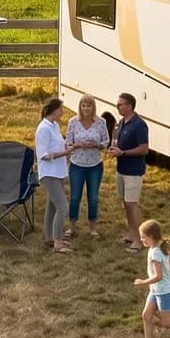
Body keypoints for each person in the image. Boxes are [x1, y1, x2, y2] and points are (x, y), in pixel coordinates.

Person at [105, 92, 150, 252]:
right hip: (121, 169)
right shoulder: (121, 123)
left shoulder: (139, 125)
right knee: (125, 203)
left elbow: (144, 148)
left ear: (130, 106)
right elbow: (117, 142)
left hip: (133, 171)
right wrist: (114, 150)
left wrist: (123, 153)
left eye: (120, 104)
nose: (117, 107)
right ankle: (131, 234)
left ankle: (141, 239)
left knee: (132, 204)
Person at [65, 95, 110, 239]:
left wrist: (96, 145)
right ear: (80, 107)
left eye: (88, 106)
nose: (86, 108)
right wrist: (77, 145)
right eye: (83, 105)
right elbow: (68, 143)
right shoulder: (73, 122)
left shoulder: (101, 122)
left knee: (93, 197)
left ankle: (92, 228)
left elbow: (106, 141)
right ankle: (71, 227)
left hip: (95, 165)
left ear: (93, 107)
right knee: (75, 196)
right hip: (77, 164)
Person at [34, 96, 72, 253]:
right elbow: (43, 154)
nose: (62, 112)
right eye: (61, 109)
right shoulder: (43, 129)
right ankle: (58, 243)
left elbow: (57, 144)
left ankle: (48, 236)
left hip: (58, 171)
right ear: (53, 110)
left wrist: (67, 147)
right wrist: (65, 152)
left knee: (52, 205)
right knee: (62, 207)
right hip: (49, 173)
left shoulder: (54, 125)